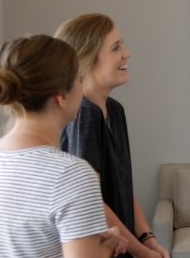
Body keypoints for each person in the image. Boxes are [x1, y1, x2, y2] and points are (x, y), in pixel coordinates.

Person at [0, 35, 126, 257]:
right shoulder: (72, 175)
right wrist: (109, 245)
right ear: (61, 97)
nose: (82, 87)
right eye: (78, 79)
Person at [55, 13, 170, 258]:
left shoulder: (114, 110)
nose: (127, 53)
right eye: (116, 47)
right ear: (86, 58)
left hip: (122, 246)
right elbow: (92, 201)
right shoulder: (84, 115)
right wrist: (141, 252)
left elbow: (123, 186)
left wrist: (148, 238)